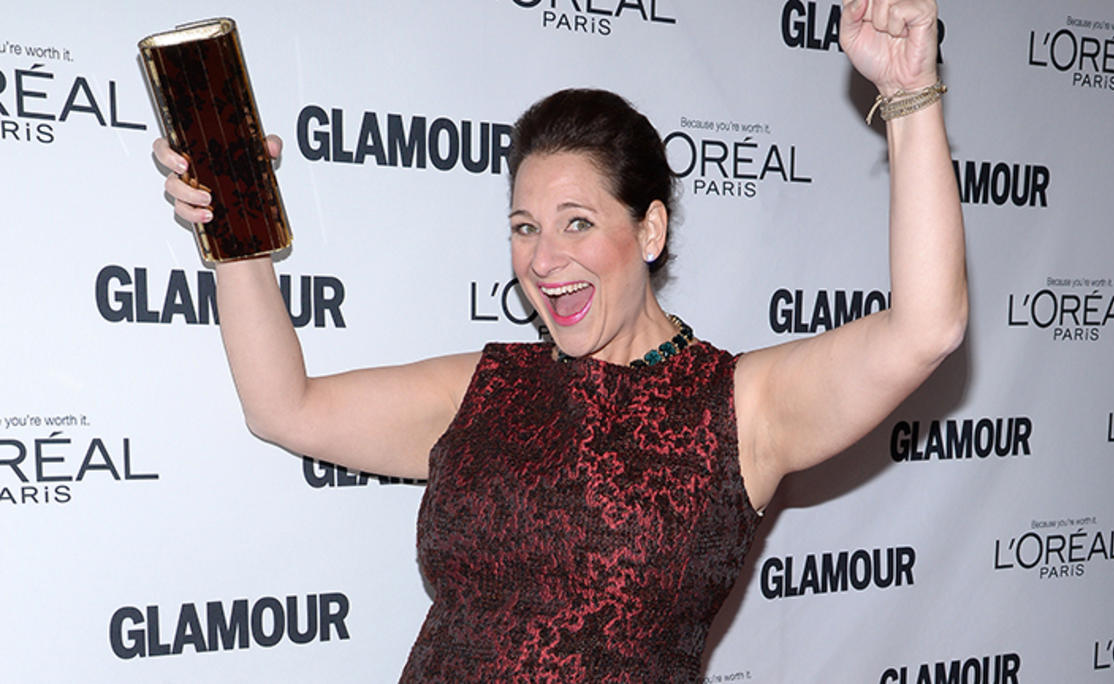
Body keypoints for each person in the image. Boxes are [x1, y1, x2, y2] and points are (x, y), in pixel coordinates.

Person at [153, 0, 966, 680]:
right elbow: (281, 406)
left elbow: (926, 328)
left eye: (578, 223)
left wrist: (910, 94)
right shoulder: (485, 388)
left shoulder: (740, 406)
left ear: (649, 229)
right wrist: (233, 217)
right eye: (524, 227)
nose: (545, 260)